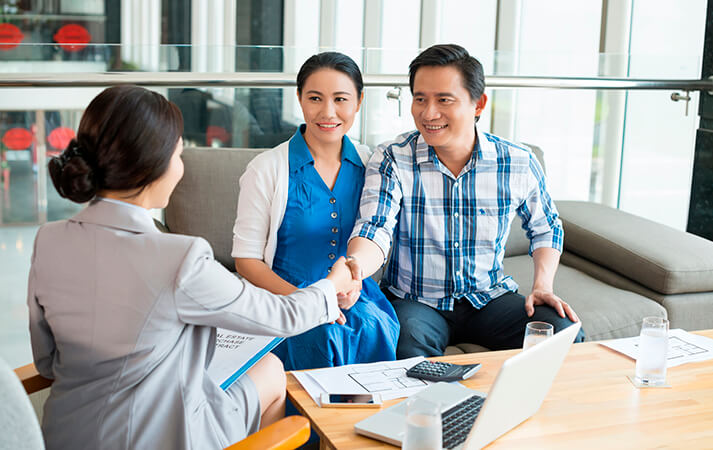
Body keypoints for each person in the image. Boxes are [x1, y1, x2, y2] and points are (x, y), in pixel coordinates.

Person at [28, 85, 357, 450]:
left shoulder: (48, 240)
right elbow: (283, 316)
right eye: (178, 154)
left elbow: (47, 362)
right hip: (157, 439)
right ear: (154, 165)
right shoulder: (178, 257)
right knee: (272, 372)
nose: (180, 167)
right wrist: (333, 283)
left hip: (65, 436)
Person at [345, 44, 586, 358]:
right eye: (420, 99)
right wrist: (355, 269)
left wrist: (542, 286)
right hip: (416, 302)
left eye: (444, 100)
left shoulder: (517, 161)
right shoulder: (394, 157)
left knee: (564, 332)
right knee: (406, 344)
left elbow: (547, 227)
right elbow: (375, 226)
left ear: (478, 104)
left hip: (489, 299)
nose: (429, 113)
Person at [232, 52, 399, 370]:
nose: (328, 112)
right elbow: (246, 261)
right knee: (321, 334)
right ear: (299, 98)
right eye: (315, 98)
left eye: (340, 99)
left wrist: (350, 286)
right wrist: (308, 303)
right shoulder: (266, 169)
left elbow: (379, 235)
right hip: (286, 298)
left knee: (370, 325)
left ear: (359, 101)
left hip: (356, 295)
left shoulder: (372, 164)